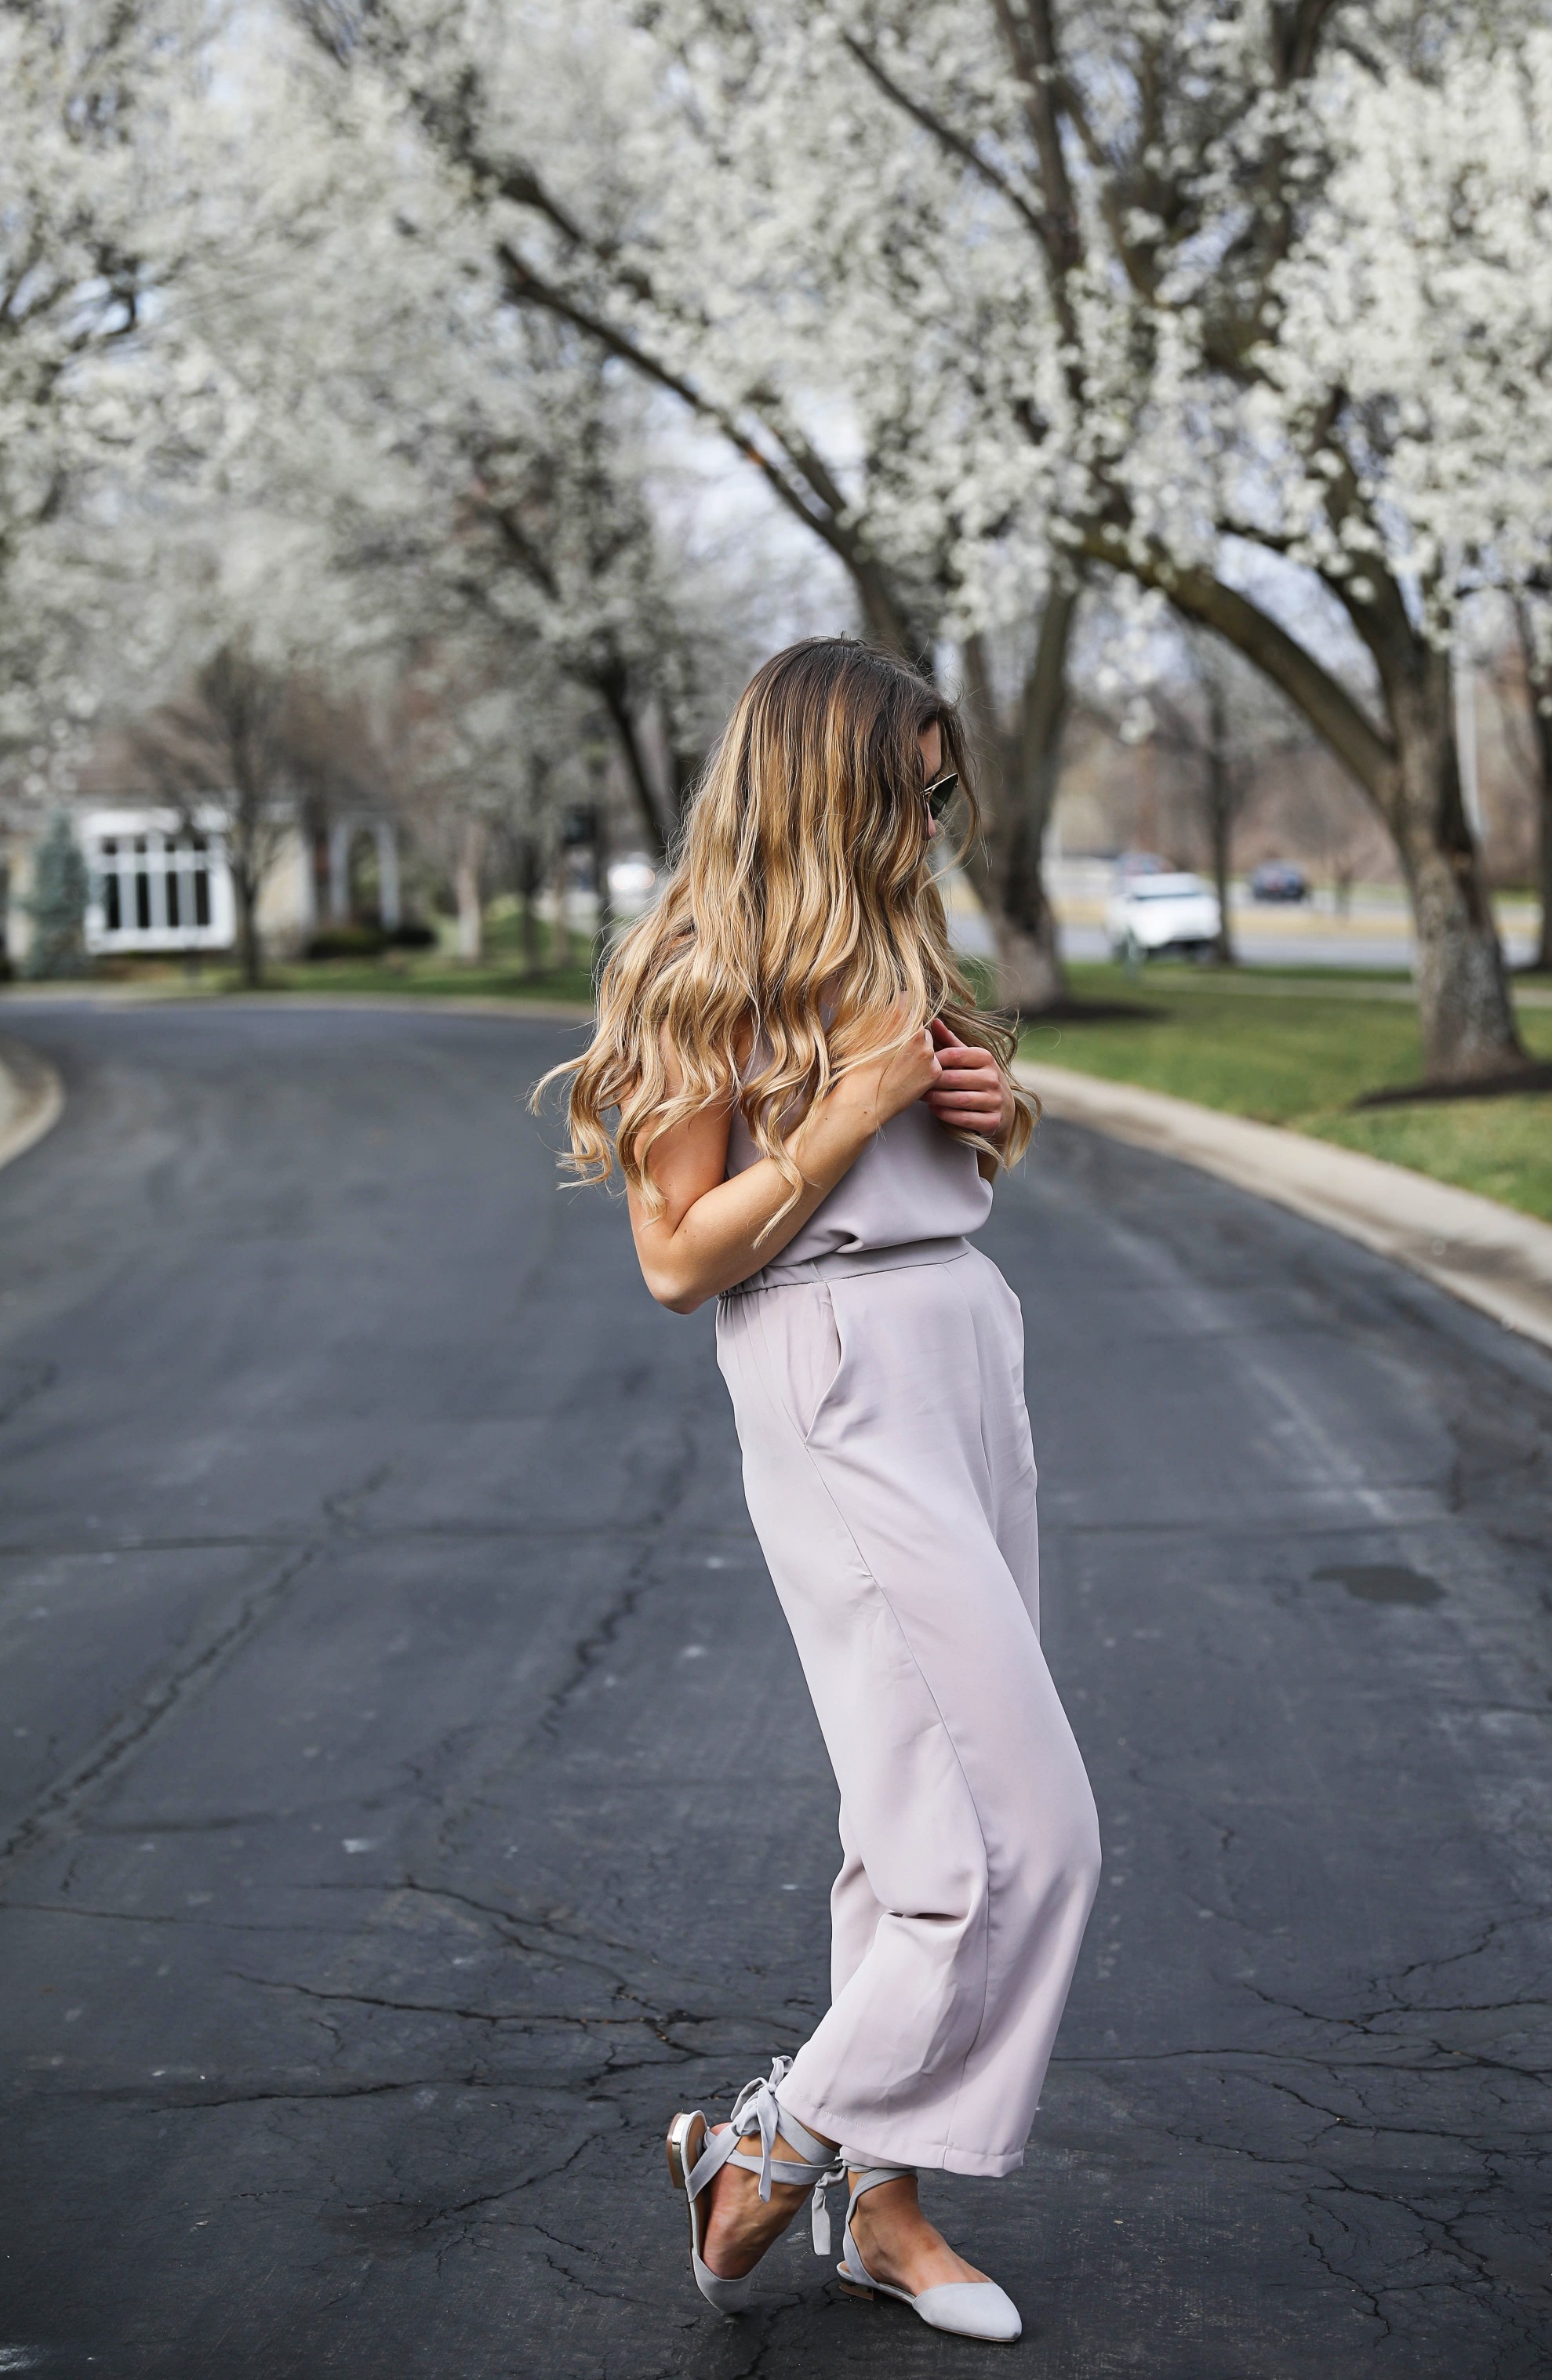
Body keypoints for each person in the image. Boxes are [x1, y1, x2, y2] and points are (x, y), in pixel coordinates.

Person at [543, 639, 1100, 2345]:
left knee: (906, 1825)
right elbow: (675, 1258)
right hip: (834, 1368)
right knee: (1027, 1838)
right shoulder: (704, 966)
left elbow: (938, 1159)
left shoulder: (899, 942)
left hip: (961, 1353)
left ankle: (887, 2212)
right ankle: (772, 2141)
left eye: (939, 793)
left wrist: (989, 1116)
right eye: (905, 790)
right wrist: (849, 1114)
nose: (929, 822)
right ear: (820, 783)